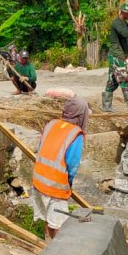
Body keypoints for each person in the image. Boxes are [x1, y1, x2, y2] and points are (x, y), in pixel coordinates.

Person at [32, 96, 89, 240]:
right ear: (81, 115)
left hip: (38, 181)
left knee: (48, 218)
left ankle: (46, 244)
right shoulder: (75, 134)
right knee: (57, 224)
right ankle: (54, 253)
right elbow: (72, 165)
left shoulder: (51, 124)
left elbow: (41, 149)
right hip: (55, 187)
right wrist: (68, 183)